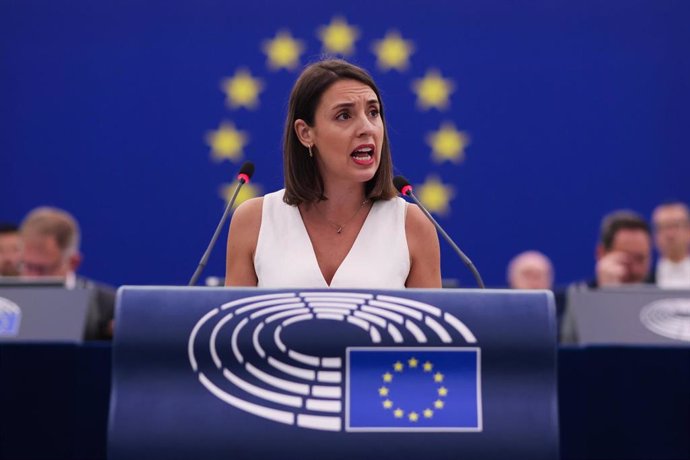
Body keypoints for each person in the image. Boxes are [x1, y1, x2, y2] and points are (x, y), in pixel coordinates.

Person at [225, 59, 441, 288]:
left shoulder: (413, 225)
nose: (367, 128)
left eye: (373, 112)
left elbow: (428, 323)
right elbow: (234, 323)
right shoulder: (253, 221)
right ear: (305, 133)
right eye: (344, 116)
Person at [19, 206, 115, 340]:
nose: (33, 278)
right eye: (27, 266)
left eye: (42, 269)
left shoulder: (109, 309)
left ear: (73, 262)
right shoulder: (5, 305)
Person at [560, 210, 653, 343]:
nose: (635, 270)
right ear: (602, 253)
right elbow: (571, 351)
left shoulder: (662, 297)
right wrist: (608, 296)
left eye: (641, 259)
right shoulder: (578, 295)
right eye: (626, 260)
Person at [652, 201, 690, 288]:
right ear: (655, 235)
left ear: (688, 231)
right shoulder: (645, 281)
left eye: (676, 226)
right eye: (664, 227)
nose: (670, 234)